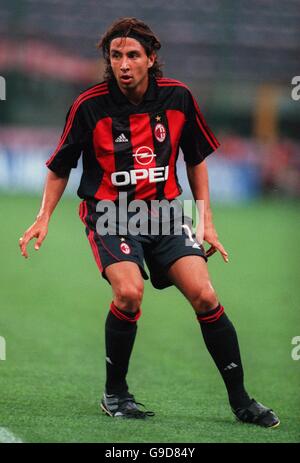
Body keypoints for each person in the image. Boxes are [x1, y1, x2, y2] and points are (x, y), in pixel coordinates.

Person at [19, 17, 279, 427]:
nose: (123, 64)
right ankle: (115, 394)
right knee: (129, 293)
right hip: (110, 212)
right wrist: (42, 217)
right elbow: (60, 166)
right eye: (116, 55)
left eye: (133, 55)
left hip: (166, 213)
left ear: (151, 58)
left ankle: (242, 401)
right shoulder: (89, 105)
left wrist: (206, 221)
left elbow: (195, 159)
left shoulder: (178, 98)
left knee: (206, 295)